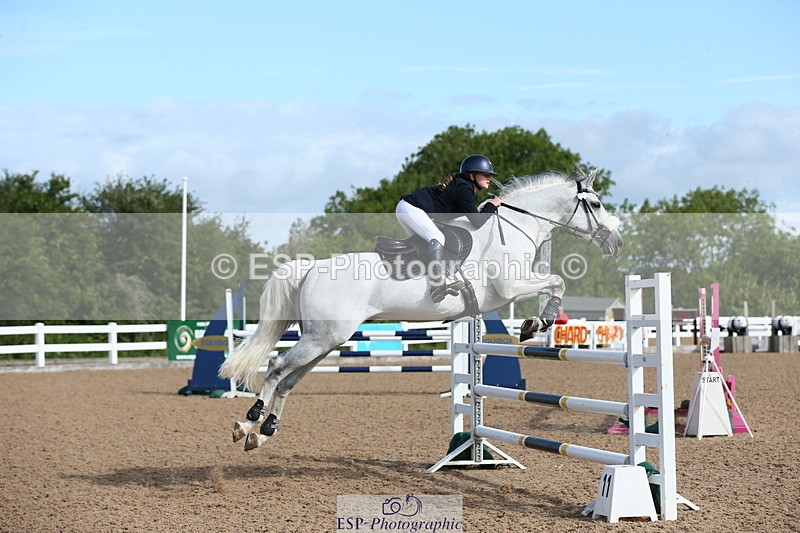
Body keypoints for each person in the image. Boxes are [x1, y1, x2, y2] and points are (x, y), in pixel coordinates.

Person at [395, 154, 502, 303]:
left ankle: (417, 283)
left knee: (426, 245)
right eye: (485, 174)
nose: (489, 178)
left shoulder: (463, 186)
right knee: (438, 238)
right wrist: (492, 205)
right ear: (472, 176)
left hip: (409, 209)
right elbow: (477, 222)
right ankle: (437, 285)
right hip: (411, 209)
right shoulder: (464, 188)